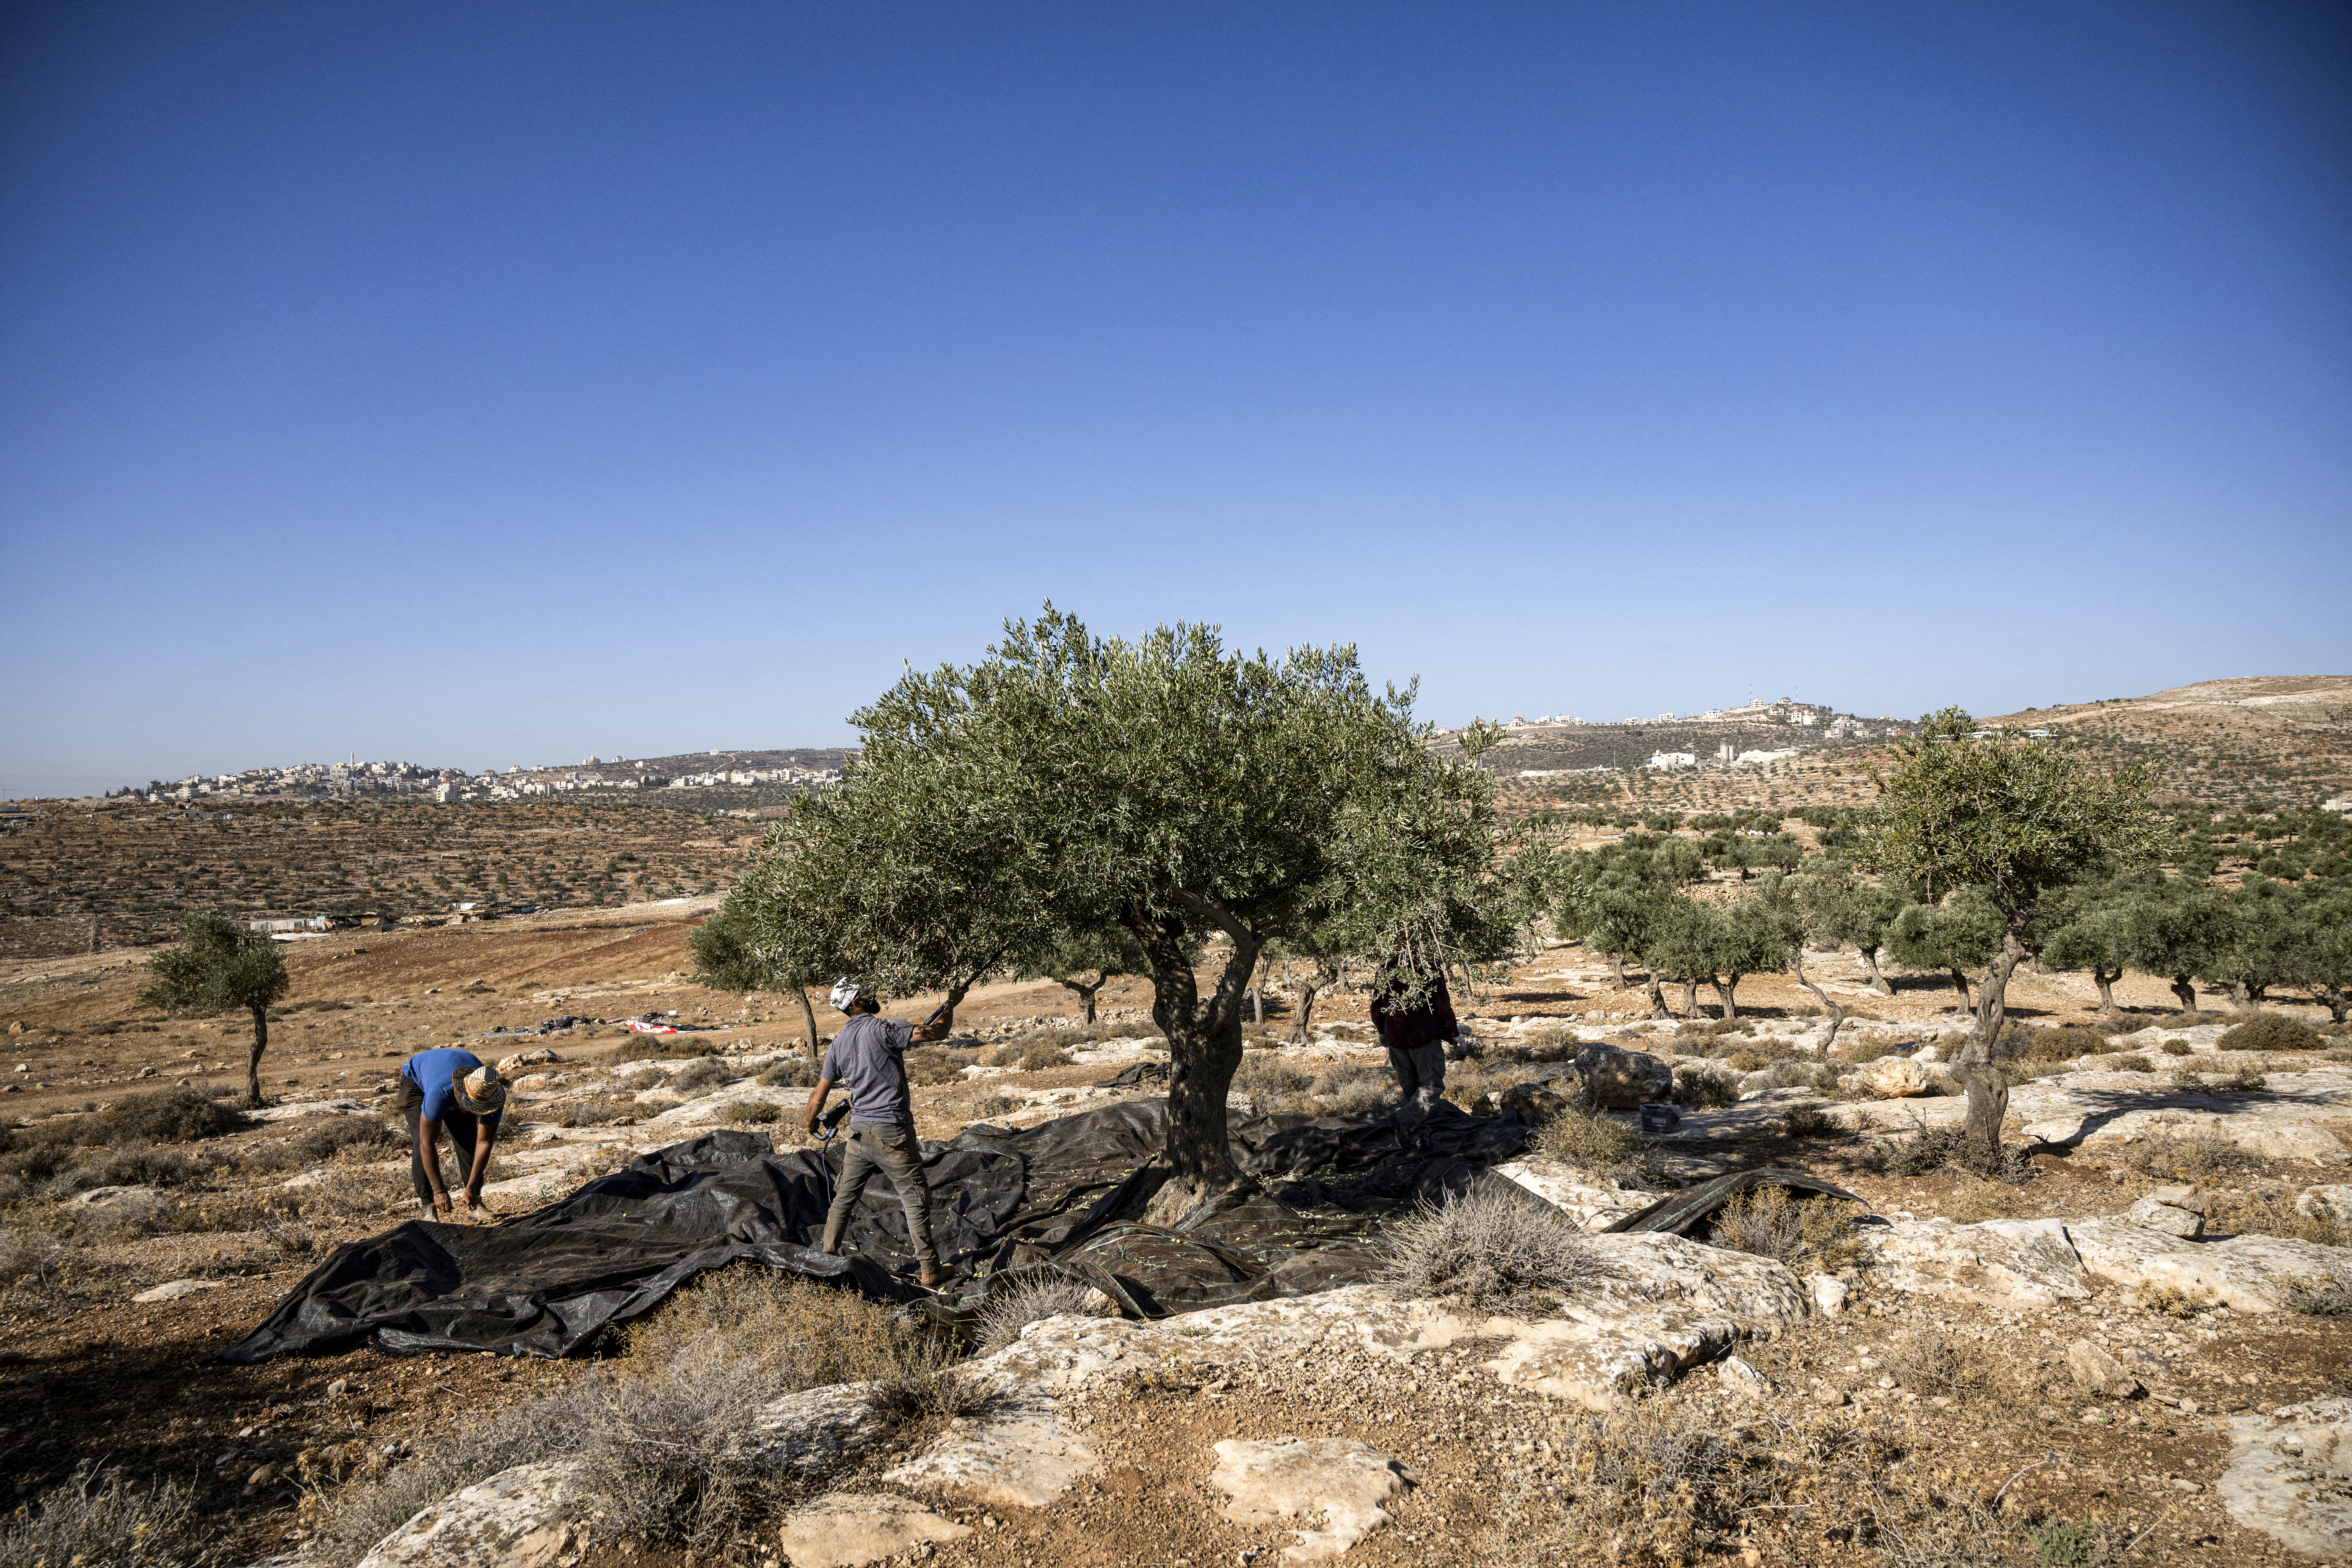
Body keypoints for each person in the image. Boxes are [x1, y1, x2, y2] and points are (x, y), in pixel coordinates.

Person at [805, 979, 951, 1288]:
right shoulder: (885, 1028)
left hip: (858, 1134)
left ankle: (826, 1256)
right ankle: (930, 1270)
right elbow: (938, 1033)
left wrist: (810, 1123)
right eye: (864, 994)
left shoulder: (838, 1045)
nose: (872, 996)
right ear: (854, 1003)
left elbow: (818, 1097)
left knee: (843, 1199)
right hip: (892, 1133)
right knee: (914, 1200)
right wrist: (951, 1005)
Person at [396, 1047, 505, 1221]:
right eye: (471, 1103)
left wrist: (471, 1188)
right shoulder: (440, 1092)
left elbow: (484, 1143)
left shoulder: (492, 1094)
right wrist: (439, 1191)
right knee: (421, 1138)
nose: (473, 1109)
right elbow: (427, 1143)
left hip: (453, 1076)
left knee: (468, 1140)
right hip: (416, 1080)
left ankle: (475, 1202)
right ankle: (428, 1206)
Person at [1370, 953, 1460, 1151]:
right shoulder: (1428, 965)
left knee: (1410, 1089)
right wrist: (1454, 1033)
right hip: (1423, 1038)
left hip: (1396, 1039)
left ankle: (1417, 1137)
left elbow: (1376, 1004)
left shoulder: (1386, 966)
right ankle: (1405, 1118)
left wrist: (1382, 1031)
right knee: (1431, 1085)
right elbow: (1442, 1002)